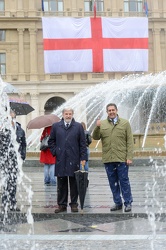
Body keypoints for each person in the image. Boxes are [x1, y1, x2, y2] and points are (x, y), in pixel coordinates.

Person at [92, 103, 133, 212]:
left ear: (116, 110)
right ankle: (117, 202)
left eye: (113, 110)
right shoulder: (103, 124)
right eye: (109, 110)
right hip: (108, 159)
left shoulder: (125, 123)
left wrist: (129, 156)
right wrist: (97, 126)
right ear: (107, 112)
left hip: (121, 159)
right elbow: (95, 137)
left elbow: (129, 141)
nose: (111, 112)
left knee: (124, 181)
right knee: (113, 182)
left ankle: (128, 202)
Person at [48, 107, 87, 213]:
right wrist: (56, 152)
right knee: (61, 183)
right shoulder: (56, 126)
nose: (68, 116)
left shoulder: (78, 126)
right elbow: (51, 141)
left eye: (70, 114)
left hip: (74, 159)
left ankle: (74, 204)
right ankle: (62, 205)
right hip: (61, 159)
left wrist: (83, 158)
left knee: (74, 183)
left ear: (72, 114)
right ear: (63, 114)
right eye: (66, 114)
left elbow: (83, 144)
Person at [1, 109, 26, 212]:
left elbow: (23, 144)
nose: (11, 114)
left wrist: (22, 156)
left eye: (12, 113)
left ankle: (12, 203)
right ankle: (4, 202)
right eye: (9, 113)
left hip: (15, 160)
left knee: (12, 181)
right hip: (3, 159)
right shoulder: (2, 128)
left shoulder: (20, 129)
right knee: (5, 181)